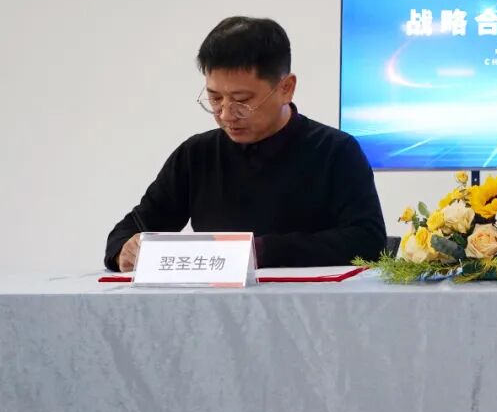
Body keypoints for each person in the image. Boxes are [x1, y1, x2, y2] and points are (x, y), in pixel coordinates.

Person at [105, 16, 387, 271]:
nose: (226, 114)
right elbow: (132, 229)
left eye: (242, 100)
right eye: (215, 98)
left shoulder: (335, 151)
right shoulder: (196, 155)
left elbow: (367, 240)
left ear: (286, 88)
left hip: (311, 307)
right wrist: (125, 250)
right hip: (216, 308)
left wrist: (259, 252)